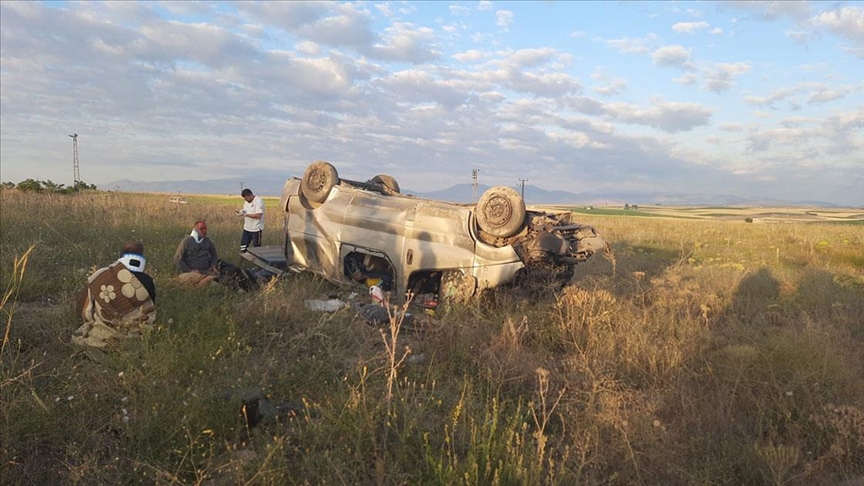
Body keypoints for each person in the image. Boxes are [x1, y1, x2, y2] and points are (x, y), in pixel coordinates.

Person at [73, 241, 156, 348]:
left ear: (120, 256)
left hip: (100, 335)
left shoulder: (100, 275)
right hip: (134, 338)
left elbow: (85, 309)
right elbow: (150, 310)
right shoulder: (148, 281)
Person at [174, 220, 219, 287]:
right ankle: (206, 281)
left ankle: (203, 282)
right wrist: (190, 270)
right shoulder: (187, 241)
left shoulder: (207, 241)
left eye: (205, 229)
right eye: (201, 229)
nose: (204, 231)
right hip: (191, 273)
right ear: (195, 229)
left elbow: (214, 255)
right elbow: (177, 259)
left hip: (206, 271)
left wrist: (213, 265)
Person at [237, 188, 264, 253]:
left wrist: (246, 215)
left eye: (246, 198)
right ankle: (242, 261)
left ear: (250, 195)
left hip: (256, 229)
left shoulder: (258, 201)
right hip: (247, 228)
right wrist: (241, 213)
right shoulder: (246, 202)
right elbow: (245, 211)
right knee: (243, 247)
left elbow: (258, 216)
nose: (246, 200)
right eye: (244, 199)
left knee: (257, 249)